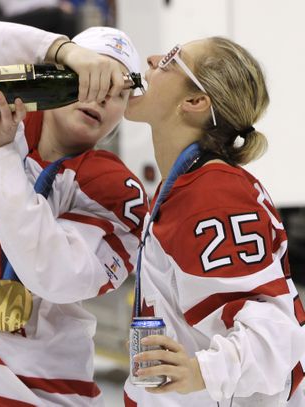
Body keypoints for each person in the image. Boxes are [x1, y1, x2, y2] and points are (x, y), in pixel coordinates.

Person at [0, 12, 148, 406]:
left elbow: (54, 275)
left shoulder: (115, 192)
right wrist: (56, 48)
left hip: (31, 397)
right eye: (90, 76)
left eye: (118, 91)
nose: (102, 95)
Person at [123, 39, 305, 406]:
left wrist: (202, 372)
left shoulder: (213, 194)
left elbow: (272, 332)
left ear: (195, 102)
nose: (153, 59)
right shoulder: (189, 185)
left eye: (171, 59)